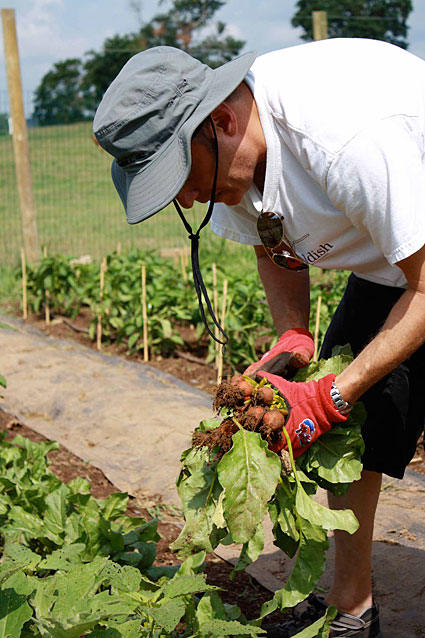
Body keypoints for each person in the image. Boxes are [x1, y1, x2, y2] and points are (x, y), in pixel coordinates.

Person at [93, 38, 425, 638]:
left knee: (342, 399)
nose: (186, 198)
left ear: (220, 121)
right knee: (359, 426)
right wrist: (293, 336)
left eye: (180, 177)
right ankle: (352, 605)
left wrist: (330, 396)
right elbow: (271, 240)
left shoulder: (345, 137)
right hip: (391, 256)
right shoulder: (233, 156)